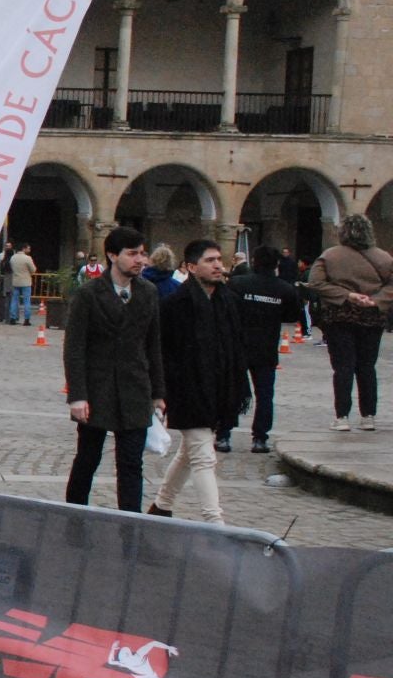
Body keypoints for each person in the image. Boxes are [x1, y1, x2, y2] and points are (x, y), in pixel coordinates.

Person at [64, 226, 165, 512]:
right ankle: (73, 514)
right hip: (98, 389)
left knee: (132, 463)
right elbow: (75, 348)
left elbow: (153, 344)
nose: (140, 260)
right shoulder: (89, 294)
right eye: (132, 254)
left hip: (135, 388)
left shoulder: (148, 292)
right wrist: (77, 395)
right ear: (112, 255)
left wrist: (158, 392)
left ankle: (130, 525)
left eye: (142, 254)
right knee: (87, 458)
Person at [147, 240, 242, 524]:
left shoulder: (227, 300)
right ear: (190, 267)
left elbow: (236, 347)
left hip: (218, 390)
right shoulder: (176, 304)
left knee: (190, 453)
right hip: (186, 390)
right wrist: (160, 391)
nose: (217, 266)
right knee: (203, 456)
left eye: (219, 260)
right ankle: (215, 523)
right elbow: (161, 351)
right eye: (210, 260)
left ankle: (161, 505)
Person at [308, 214, 393, 431]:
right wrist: (376, 300)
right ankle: (368, 416)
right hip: (372, 318)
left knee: (343, 367)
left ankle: (342, 416)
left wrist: (347, 295)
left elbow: (315, 283)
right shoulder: (384, 257)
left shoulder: (330, 256)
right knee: (367, 366)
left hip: (339, 317)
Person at [226, 245, 300, 453]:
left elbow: (227, 310)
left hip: (238, 346)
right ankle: (260, 438)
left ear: (254, 262)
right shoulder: (284, 289)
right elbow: (292, 316)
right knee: (265, 394)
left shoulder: (237, 284)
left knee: (231, 391)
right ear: (277, 264)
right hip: (266, 348)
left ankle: (223, 434)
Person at [6, 243, 35, 324]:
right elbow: (33, 269)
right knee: (26, 301)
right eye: (28, 248)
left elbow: (11, 267)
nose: (29, 250)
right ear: (24, 249)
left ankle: (12, 318)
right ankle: (26, 319)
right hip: (26, 282)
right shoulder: (27, 258)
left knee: (14, 300)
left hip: (16, 281)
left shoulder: (13, 258)